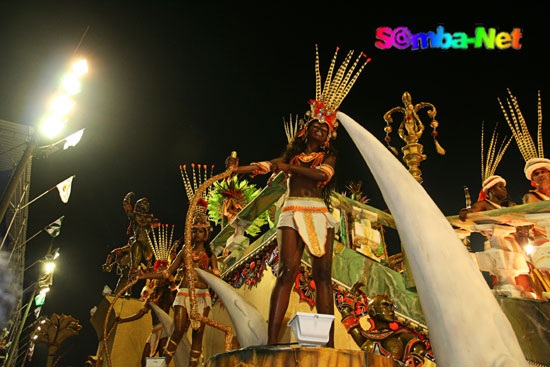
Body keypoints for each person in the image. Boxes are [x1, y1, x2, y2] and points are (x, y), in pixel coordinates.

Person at [226, 46, 370, 347]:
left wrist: (286, 167)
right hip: (292, 210)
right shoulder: (291, 158)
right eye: (315, 127)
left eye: (325, 129)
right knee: (288, 270)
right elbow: (264, 166)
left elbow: (322, 177)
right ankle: (271, 340)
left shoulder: (327, 157)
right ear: (305, 132)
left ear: (329, 136)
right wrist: (237, 169)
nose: (321, 131)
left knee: (323, 276)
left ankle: (328, 344)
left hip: (319, 213)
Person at [139, 210, 219, 366]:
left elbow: (217, 278)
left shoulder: (210, 256)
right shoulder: (184, 252)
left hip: (203, 296)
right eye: (193, 230)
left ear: (206, 234)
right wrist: (144, 276)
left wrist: (206, 270)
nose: (196, 234)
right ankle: (161, 365)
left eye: (200, 231)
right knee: (177, 331)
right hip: (184, 294)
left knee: (198, 335)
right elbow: (167, 273)